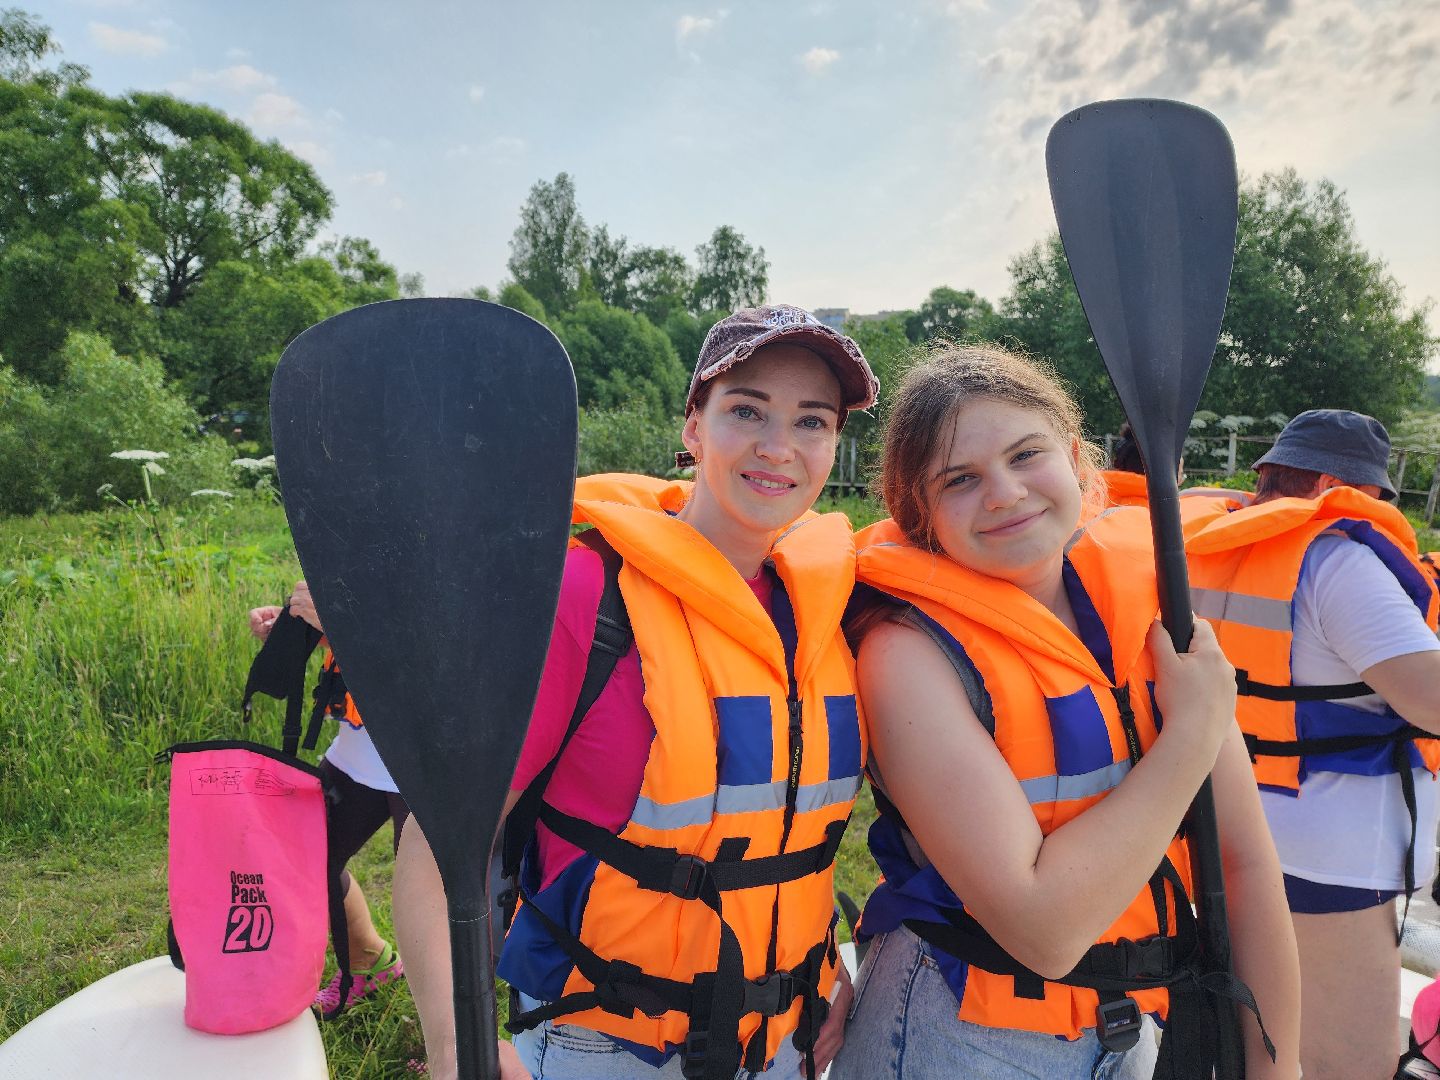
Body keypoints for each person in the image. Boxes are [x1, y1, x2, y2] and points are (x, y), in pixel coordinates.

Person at [393, 305, 880, 1080]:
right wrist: (457, 1044)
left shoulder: (833, 607)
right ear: (693, 427)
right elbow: (437, 842)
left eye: (811, 422)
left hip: (791, 1037)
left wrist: (824, 965)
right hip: (608, 1045)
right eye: (746, 410)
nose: (777, 446)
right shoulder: (585, 595)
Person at [830, 343, 1300, 1079]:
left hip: (1135, 1026)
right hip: (964, 1038)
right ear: (918, 514)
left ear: (1076, 459)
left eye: (1026, 454)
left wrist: (1280, 1066)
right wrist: (1192, 735)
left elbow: (1243, 859)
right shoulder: (905, 654)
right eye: (959, 479)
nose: (1005, 493)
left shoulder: (1155, 620)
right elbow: (1044, 930)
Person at [1184, 409, 1440, 1080]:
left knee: (1258, 1044)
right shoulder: (1339, 560)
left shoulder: (1203, 544)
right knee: (1349, 1061)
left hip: (1223, 833)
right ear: (1334, 485)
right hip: (1335, 865)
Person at [248, 581, 408, 1013]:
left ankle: (457, 1038)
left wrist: (340, 622)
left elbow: (438, 643)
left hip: (426, 757)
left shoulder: (446, 544)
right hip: (361, 746)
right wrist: (303, 628)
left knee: (432, 900)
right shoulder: (362, 544)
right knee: (300, 854)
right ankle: (369, 962)